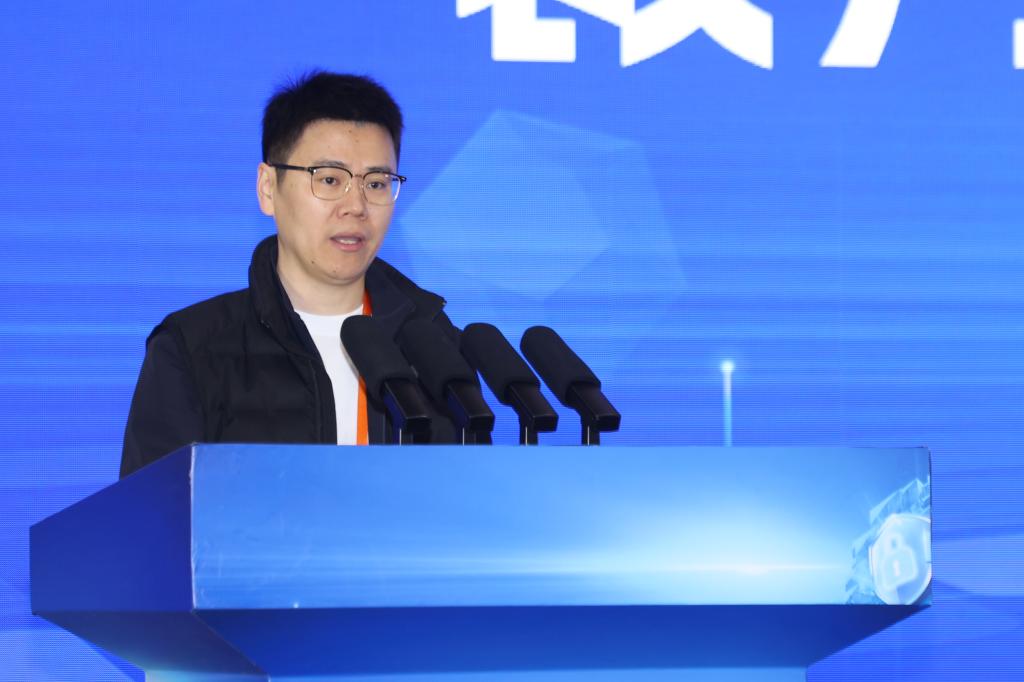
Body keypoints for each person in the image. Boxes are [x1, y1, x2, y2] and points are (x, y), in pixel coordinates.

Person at [119, 71, 459, 478]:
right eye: (329, 180)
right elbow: (153, 513)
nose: (356, 206)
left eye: (377, 183)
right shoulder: (194, 351)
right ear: (268, 188)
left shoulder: (435, 349)